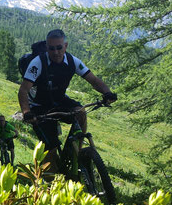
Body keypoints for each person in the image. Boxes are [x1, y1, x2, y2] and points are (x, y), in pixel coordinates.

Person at [18, 29, 116, 172]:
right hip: (39, 107)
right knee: (50, 150)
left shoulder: (72, 61)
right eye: (51, 48)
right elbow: (23, 90)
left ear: (66, 46)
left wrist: (107, 92)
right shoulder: (37, 63)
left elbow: (93, 80)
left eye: (59, 47)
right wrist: (26, 112)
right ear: (47, 47)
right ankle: (50, 182)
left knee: (81, 112)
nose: (56, 52)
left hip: (59, 100)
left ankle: (77, 152)